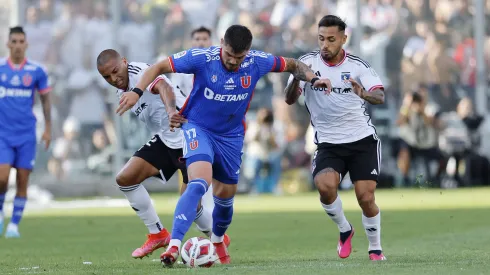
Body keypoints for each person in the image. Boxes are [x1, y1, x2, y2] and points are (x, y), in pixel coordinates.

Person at [116, 24, 331, 266]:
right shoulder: (201, 58)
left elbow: (292, 64)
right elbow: (158, 67)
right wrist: (136, 91)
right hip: (197, 128)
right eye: (228, 54)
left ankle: (217, 240)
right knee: (197, 183)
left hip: (231, 137)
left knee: (225, 199)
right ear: (221, 43)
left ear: (247, 52)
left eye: (238, 57)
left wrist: (313, 78)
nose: (232, 61)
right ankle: (173, 246)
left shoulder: (257, 61)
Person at [96, 49, 229, 259]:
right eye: (106, 77)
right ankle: (157, 234)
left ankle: (217, 239)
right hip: (166, 139)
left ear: (124, 61)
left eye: (115, 71)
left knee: (191, 206)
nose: (114, 79)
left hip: (188, 135)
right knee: (125, 179)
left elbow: (164, 86)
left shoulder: (139, 73)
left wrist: (170, 112)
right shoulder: (122, 89)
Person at [284, 15, 386, 261]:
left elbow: (380, 95)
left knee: (365, 197)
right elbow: (289, 99)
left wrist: (363, 93)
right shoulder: (305, 64)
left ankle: (375, 248)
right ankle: (345, 229)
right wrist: (297, 80)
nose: (325, 45)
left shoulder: (359, 66)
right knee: (325, 187)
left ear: (343, 39)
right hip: (328, 143)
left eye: (331, 39)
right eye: (321, 39)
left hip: (362, 141)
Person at [0, 26, 52, 238]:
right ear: (8, 44)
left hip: (26, 135)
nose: (18, 45)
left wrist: (48, 128)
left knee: (22, 179)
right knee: (2, 178)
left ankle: (14, 225)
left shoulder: (36, 71)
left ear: (26, 44)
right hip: (3, 134)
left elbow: (45, 99)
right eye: (14, 41)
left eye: (22, 41)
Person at [170, 26, 213, 96]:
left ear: (211, 42)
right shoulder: (181, 64)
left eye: (205, 39)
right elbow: (174, 89)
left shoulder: (219, 64)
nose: (201, 43)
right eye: (197, 39)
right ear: (191, 42)